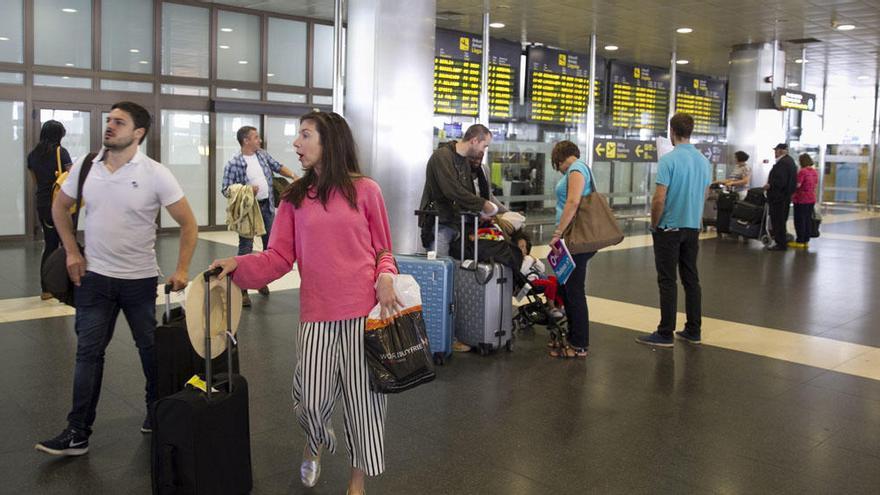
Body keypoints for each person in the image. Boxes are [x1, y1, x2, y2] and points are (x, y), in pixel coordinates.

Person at [209, 112, 398, 495]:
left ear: (330, 141)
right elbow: (279, 257)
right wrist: (238, 265)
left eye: (305, 135)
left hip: (364, 316)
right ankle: (314, 440)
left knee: (364, 405)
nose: (296, 143)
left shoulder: (366, 191)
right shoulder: (294, 198)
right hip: (317, 314)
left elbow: (383, 249)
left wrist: (386, 275)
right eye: (298, 135)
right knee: (311, 400)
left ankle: (356, 481)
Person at [35, 102, 197, 456]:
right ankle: (77, 432)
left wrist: (183, 269)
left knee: (149, 351)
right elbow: (59, 207)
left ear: (138, 132)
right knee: (88, 354)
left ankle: (156, 412)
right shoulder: (86, 165)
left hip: (138, 281)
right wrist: (73, 252)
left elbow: (188, 223)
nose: (109, 126)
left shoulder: (156, 173)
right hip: (94, 280)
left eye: (119, 122)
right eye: (109, 120)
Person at [636, 113, 711, 348]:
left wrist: (655, 223)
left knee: (667, 280)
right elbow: (705, 193)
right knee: (691, 278)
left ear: (672, 132)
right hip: (692, 226)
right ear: (690, 131)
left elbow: (659, 199)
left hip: (669, 227)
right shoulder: (703, 161)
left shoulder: (669, 160)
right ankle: (693, 329)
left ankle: (665, 332)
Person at [221, 125, 298, 306]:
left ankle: (261, 281)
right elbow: (225, 189)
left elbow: (277, 167)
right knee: (245, 247)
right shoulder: (234, 163)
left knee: (269, 246)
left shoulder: (262, 154)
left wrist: (295, 176)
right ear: (246, 140)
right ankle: (242, 290)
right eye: (255, 137)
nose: (259, 140)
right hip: (248, 211)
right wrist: (247, 191)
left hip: (267, 207)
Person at [418, 124, 499, 257]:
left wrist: (479, 213)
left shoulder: (464, 162)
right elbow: (451, 190)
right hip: (439, 225)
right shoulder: (442, 156)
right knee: (440, 269)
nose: (484, 151)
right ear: (474, 141)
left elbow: (467, 192)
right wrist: (483, 204)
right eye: (484, 146)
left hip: (458, 224)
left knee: (456, 270)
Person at [548, 140, 596, 359]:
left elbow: (573, 202)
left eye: (557, 166)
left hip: (575, 238)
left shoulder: (576, 168)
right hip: (572, 239)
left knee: (574, 290)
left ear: (559, 158)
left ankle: (579, 345)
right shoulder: (579, 169)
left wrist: (558, 232)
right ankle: (574, 339)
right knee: (567, 288)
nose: (558, 171)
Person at [27, 120, 73, 300]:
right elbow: (71, 178)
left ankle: (46, 289)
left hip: (43, 203)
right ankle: (65, 286)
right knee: (67, 244)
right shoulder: (61, 152)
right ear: (58, 135)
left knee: (50, 244)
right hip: (60, 204)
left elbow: (35, 182)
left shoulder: (32, 155)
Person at [512, 230, 564, 319]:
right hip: (528, 283)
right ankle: (552, 308)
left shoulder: (529, 258)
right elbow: (522, 272)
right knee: (550, 284)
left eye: (524, 247)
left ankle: (558, 304)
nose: (523, 249)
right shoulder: (518, 261)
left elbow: (542, 269)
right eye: (520, 247)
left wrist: (535, 260)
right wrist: (529, 260)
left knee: (555, 280)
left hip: (536, 279)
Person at [765, 143, 798, 251]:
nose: (775, 152)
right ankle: (781, 242)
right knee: (781, 220)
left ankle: (780, 243)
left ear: (782, 151)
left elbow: (780, 181)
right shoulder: (790, 161)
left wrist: (770, 185)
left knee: (778, 220)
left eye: (776, 150)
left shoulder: (783, 163)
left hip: (778, 197)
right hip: (785, 197)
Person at [789, 153, 819, 249]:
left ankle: (800, 240)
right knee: (807, 219)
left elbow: (798, 185)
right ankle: (806, 240)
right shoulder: (814, 172)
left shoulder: (802, 172)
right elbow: (815, 183)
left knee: (799, 220)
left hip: (801, 199)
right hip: (811, 198)